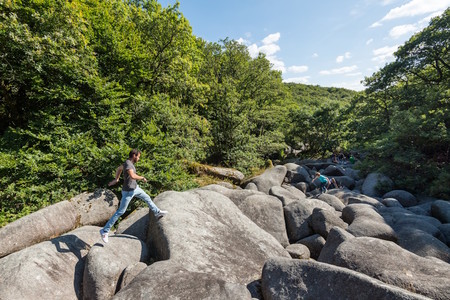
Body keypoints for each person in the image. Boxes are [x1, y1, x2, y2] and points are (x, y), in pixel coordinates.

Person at [99, 149, 168, 243]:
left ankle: (157, 212)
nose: (139, 158)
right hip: (128, 192)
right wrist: (142, 177)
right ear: (134, 155)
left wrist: (117, 179)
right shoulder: (128, 164)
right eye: (138, 156)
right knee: (121, 211)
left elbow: (119, 168)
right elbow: (132, 176)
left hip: (135, 188)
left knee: (147, 198)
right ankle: (105, 231)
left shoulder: (126, 163)